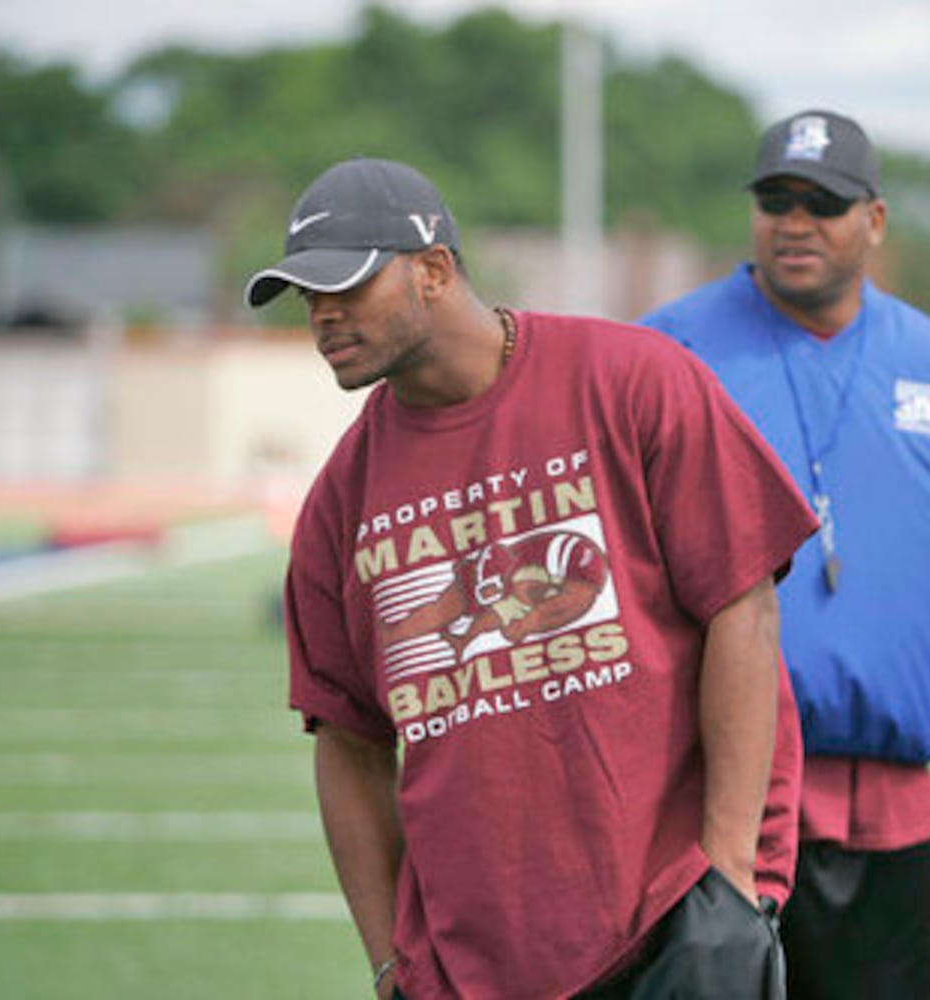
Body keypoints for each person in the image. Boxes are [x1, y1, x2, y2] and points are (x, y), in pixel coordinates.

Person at [246, 157, 819, 1000]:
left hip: (673, 926)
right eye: (308, 296)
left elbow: (743, 606)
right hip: (465, 968)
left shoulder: (633, 381)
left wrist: (734, 875)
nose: (324, 315)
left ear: (434, 269)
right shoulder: (341, 498)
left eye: (349, 287)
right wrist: (389, 965)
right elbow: (348, 739)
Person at [641, 110, 930, 999]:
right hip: (704, 804)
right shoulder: (664, 354)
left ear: (874, 220)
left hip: (885, 809)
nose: (795, 222)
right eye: (777, 199)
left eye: (824, 203)